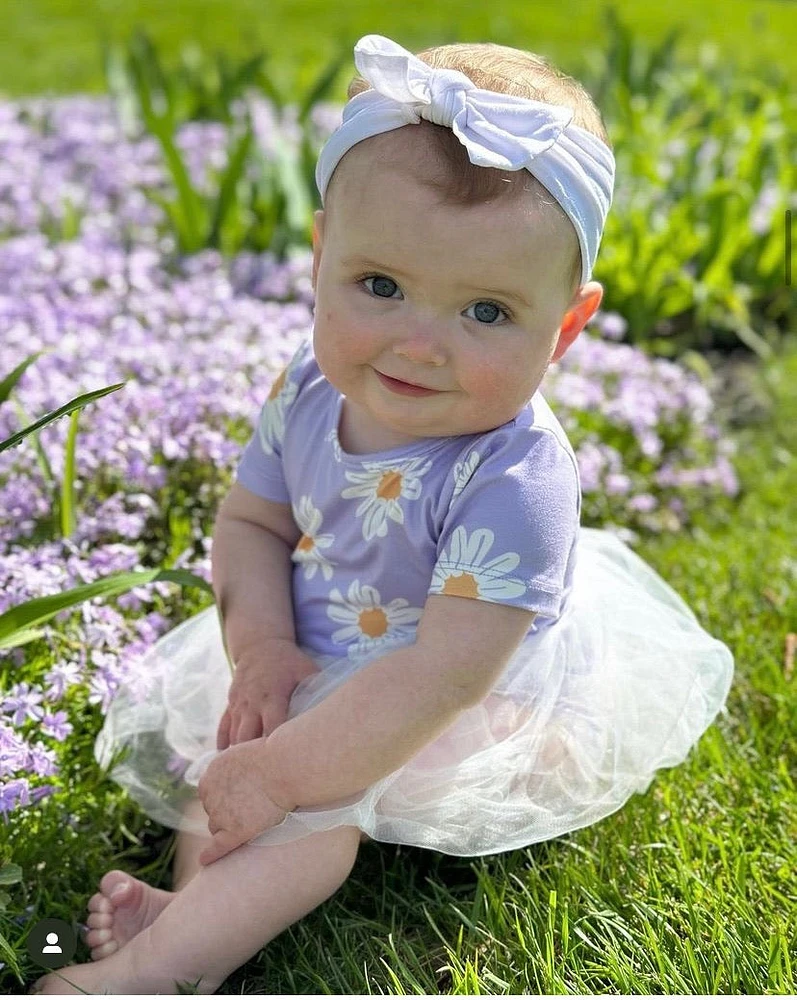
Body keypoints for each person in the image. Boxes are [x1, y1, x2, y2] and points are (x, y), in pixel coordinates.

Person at [33, 32, 734, 995]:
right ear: (322, 257)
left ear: (565, 328)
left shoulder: (515, 473)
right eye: (379, 286)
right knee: (238, 754)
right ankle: (190, 912)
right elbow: (252, 526)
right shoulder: (312, 388)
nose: (419, 345)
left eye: (485, 312)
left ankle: (151, 975)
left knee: (310, 818)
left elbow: (444, 672)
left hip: (451, 688)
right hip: (321, 641)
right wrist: (266, 648)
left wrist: (293, 772)